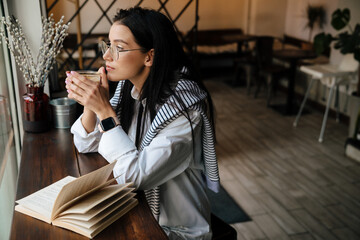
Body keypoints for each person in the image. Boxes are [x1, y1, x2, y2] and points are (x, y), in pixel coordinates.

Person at [66, 7, 220, 240]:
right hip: (137, 209)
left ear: (149, 56)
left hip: (176, 229)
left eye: (119, 48)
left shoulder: (183, 110)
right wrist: (92, 103)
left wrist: (104, 111)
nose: (107, 56)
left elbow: (133, 177)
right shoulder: (130, 88)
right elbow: (85, 144)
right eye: (107, 45)